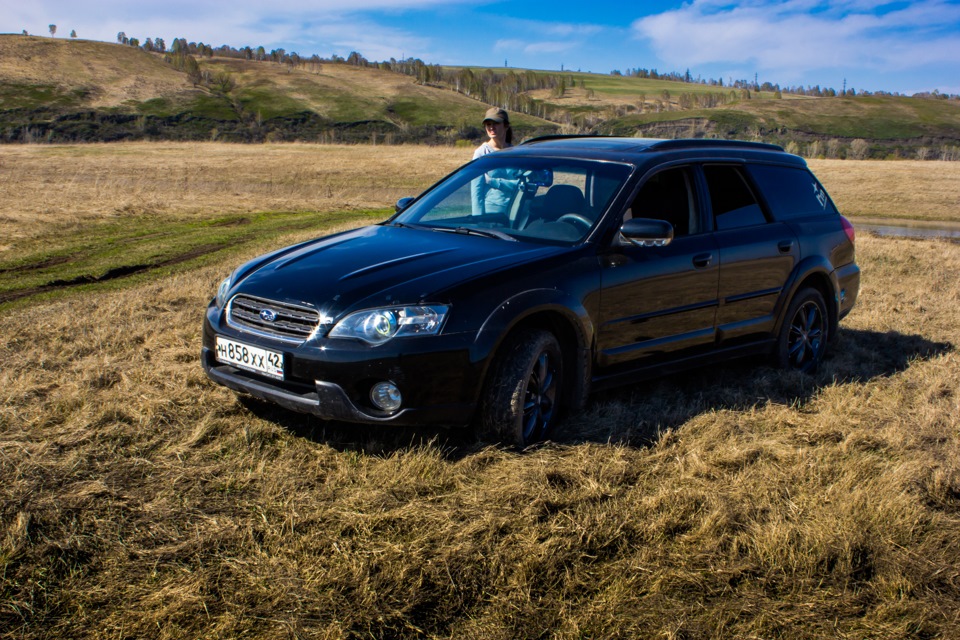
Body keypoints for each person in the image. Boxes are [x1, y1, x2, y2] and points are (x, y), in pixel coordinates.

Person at [471, 108, 521, 216]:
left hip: (518, 211)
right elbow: (476, 191)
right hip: (492, 213)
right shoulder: (482, 153)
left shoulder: (516, 153)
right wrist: (478, 219)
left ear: (506, 126)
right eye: (488, 124)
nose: (491, 127)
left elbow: (522, 185)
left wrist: (493, 181)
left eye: (496, 123)